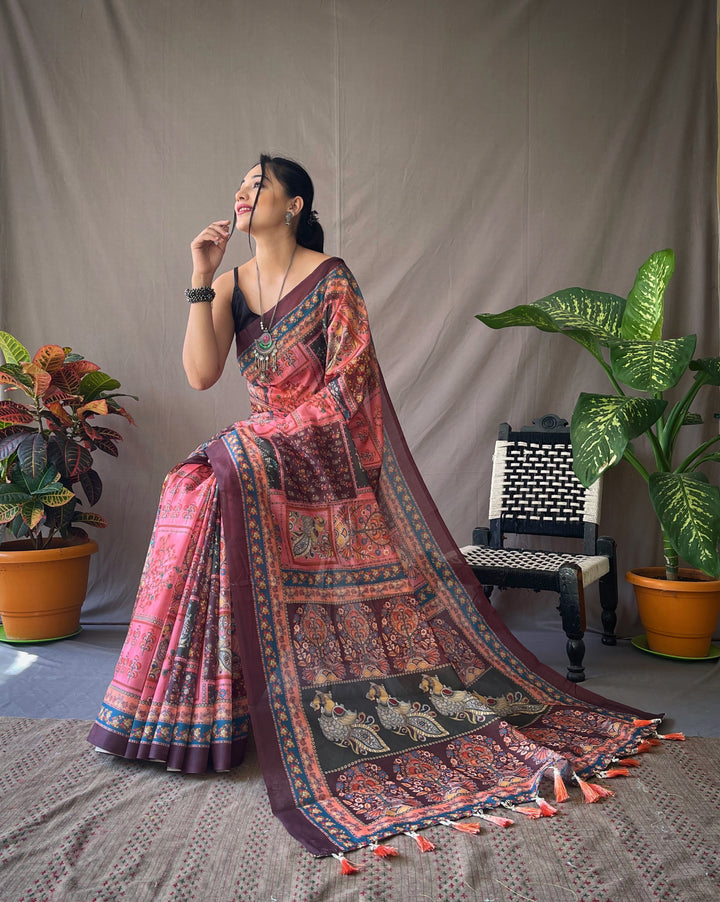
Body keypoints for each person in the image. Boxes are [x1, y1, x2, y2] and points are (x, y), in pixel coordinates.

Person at [89, 155, 665, 862]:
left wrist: (265, 441)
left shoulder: (332, 279)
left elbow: (348, 396)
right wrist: (201, 276)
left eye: (258, 183)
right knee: (196, 486)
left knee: (220, 473)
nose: (243, 192)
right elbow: (202, 373)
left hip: (321, 462)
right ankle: (195, 717)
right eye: (240, 183)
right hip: (264, 458)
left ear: (295, 203)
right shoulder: (231, 283)